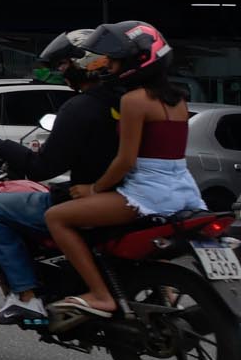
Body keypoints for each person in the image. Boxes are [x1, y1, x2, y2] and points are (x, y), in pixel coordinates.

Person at [0, 29, 119, 327]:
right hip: (133, 194)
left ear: (88, 62)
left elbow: (40, 169)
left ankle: (26, 298)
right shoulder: (134, 100)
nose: (62, 72)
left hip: (98, 198)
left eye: (64, 64)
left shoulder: (80, 108)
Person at [42, 21, 200, 318]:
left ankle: (100, 295)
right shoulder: (178, 99)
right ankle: (158, 287)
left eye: (114, 62)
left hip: (148, 193)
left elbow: (125, 161)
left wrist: (93, 189)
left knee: (56, 217)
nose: (109, 68)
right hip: (184, 191)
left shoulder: (133, 101)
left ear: (134, 63)